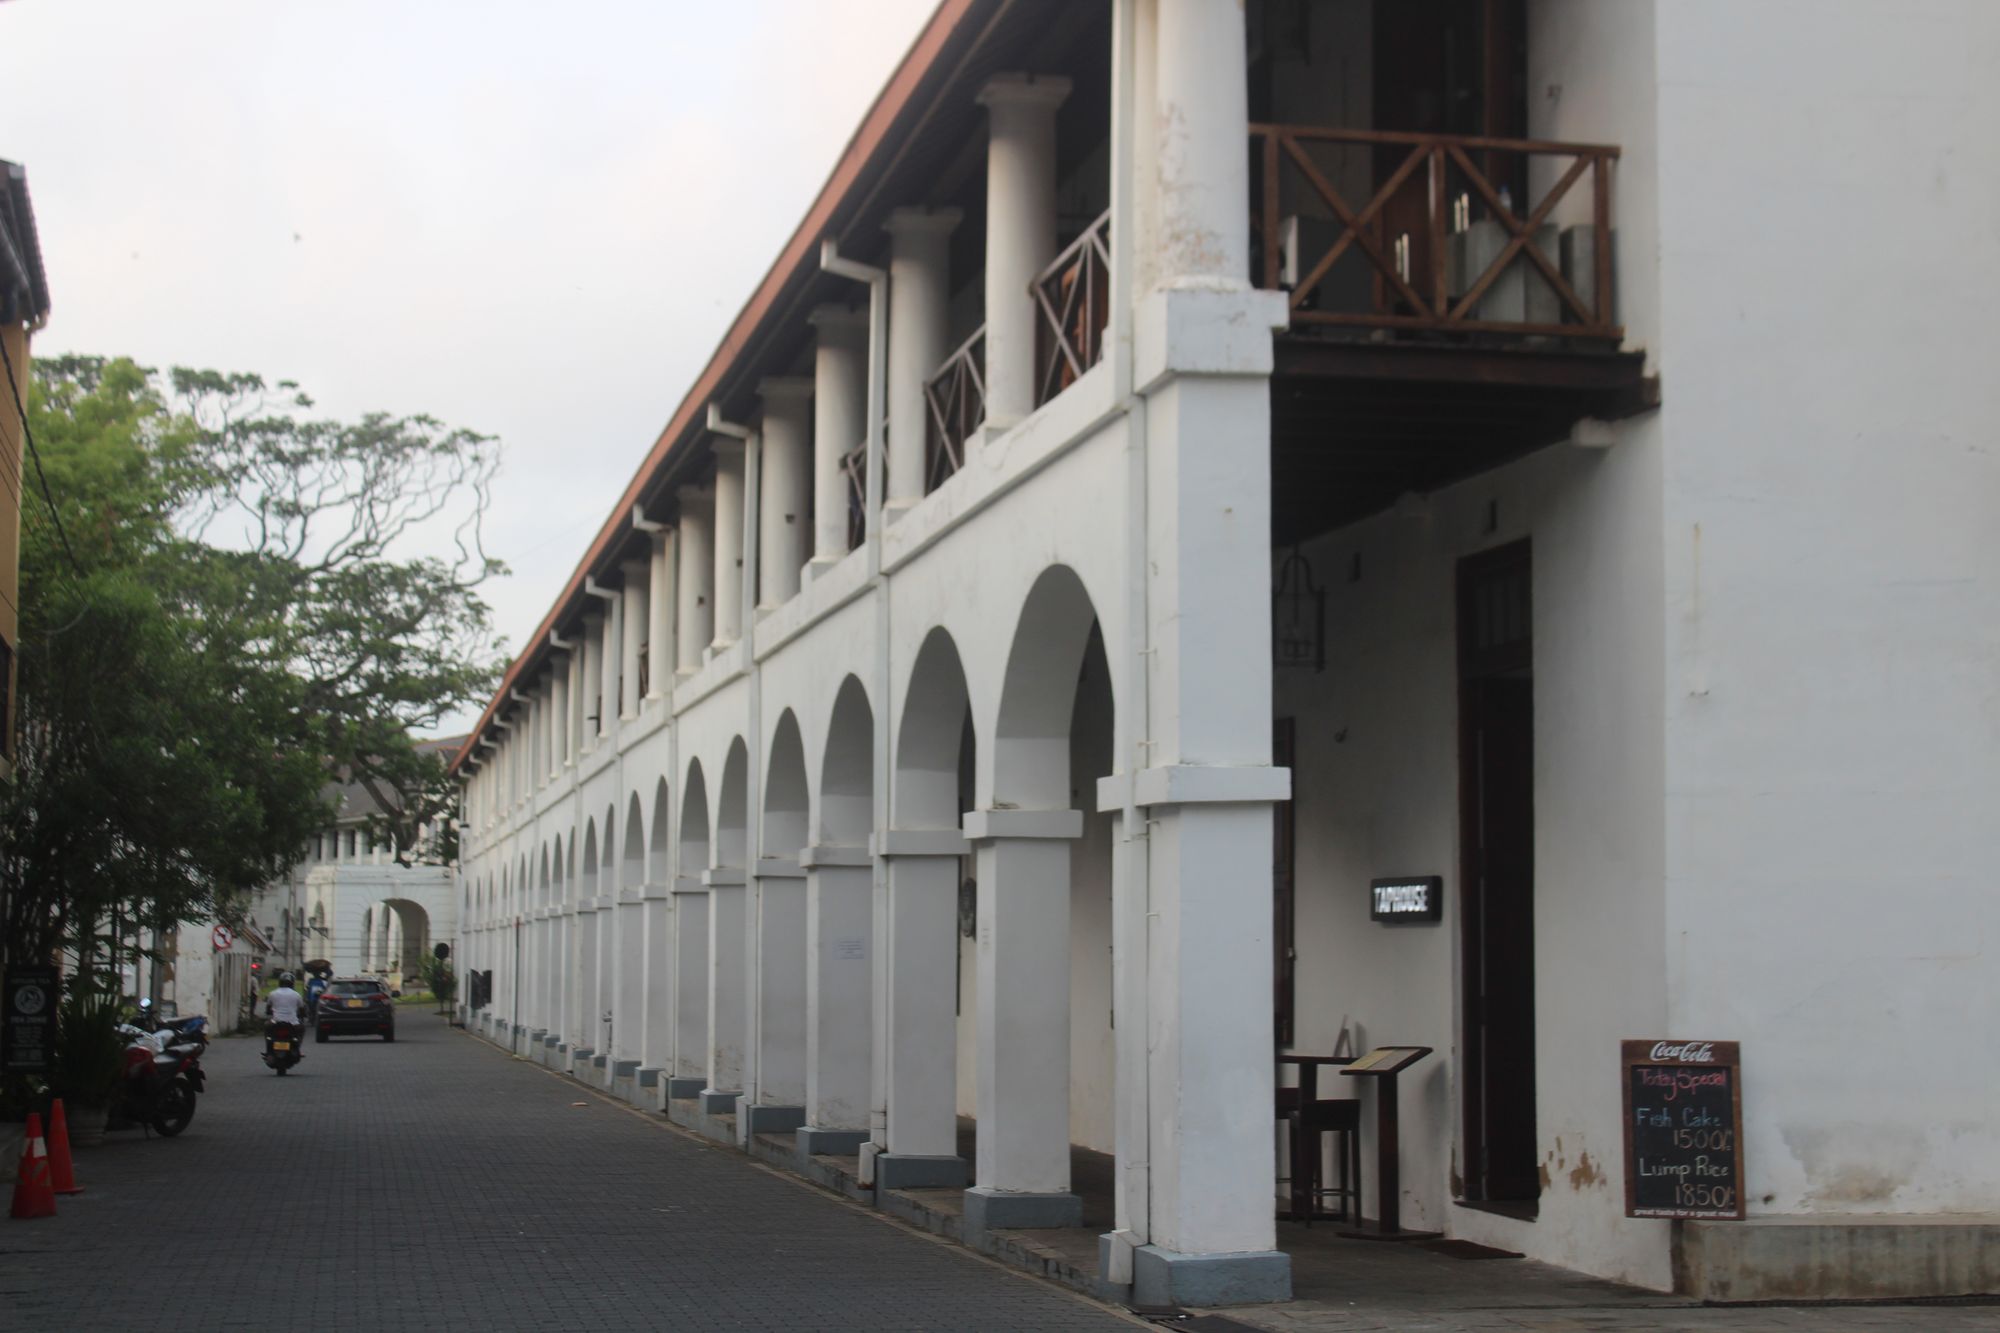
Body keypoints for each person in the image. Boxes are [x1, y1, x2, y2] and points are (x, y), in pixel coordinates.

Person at [265, 972, 307, 1054]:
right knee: (301, 1029)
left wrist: (269, 1012)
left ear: (280, 982)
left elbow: (268, 1009)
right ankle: (297, 1048)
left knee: (267, 1028)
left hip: (275, 1022)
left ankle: (268, 1050)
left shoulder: (272, 993)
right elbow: (302, 1010)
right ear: (292, 983)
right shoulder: (297, 995)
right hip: (293, 1023)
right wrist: (303, 1015)